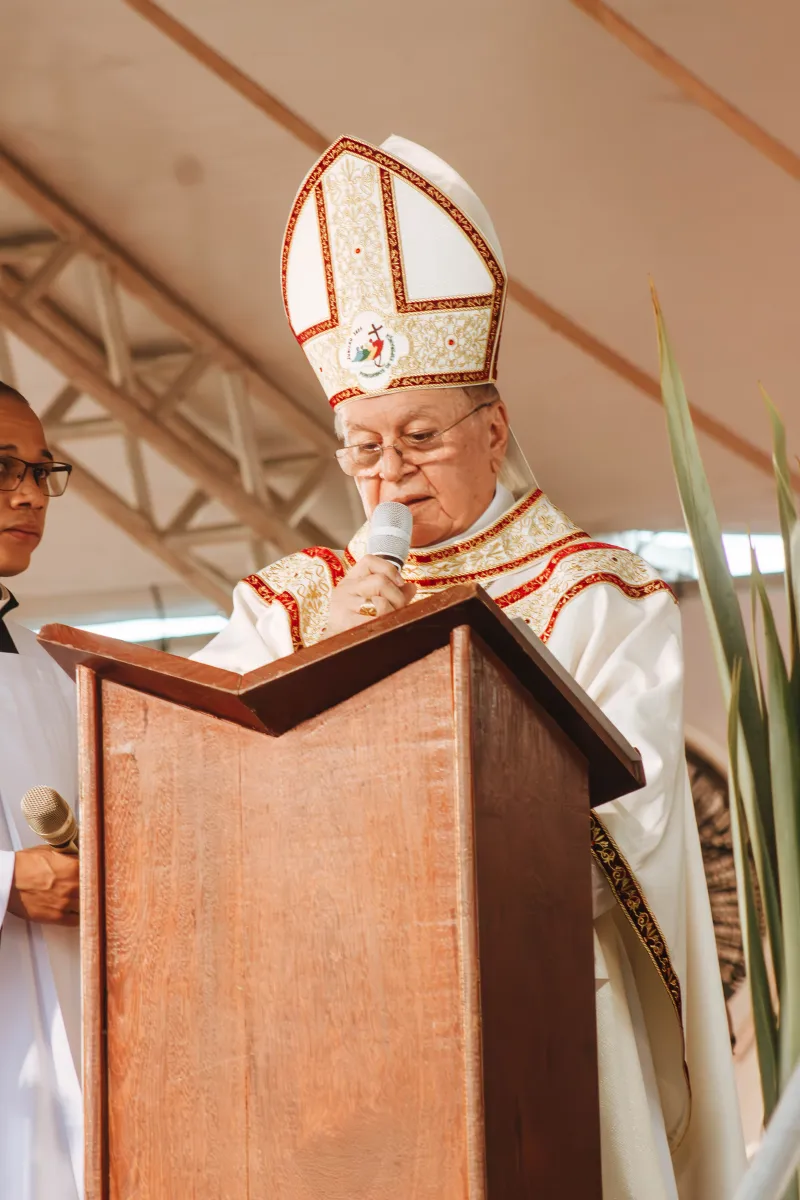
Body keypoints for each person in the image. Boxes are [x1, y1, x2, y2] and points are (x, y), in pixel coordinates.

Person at [197, 135, 746, 1198]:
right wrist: (327, 654)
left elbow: (626, 819)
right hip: (335, 1034)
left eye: (419, 436)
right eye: (361, 445)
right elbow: (200, 778)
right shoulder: (288, 603)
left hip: (537, 1004)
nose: (389, 471)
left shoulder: (594, 591)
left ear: (491, 431)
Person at [0, 382, 82, 1198]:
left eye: (38, 469)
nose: (28, 493)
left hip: (76, 1069)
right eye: (1, 467)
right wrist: (8, 880)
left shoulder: (60, 670)